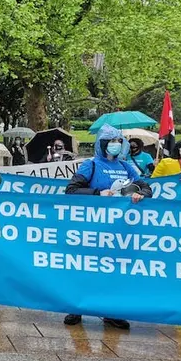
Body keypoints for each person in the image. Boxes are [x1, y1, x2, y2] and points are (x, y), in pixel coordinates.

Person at [64, 124, 152, 329]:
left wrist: (141, 194)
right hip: (91, 227)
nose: (115, 145)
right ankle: (76, 308)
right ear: (102, 144)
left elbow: (146, 187)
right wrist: (97, 193)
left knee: (113, 270)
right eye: (111, 141)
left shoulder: (125, 166)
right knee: (84, 267)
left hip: (117, 230)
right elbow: (71, 190)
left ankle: (110, 312)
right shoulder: (91, 165)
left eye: (118, 141)